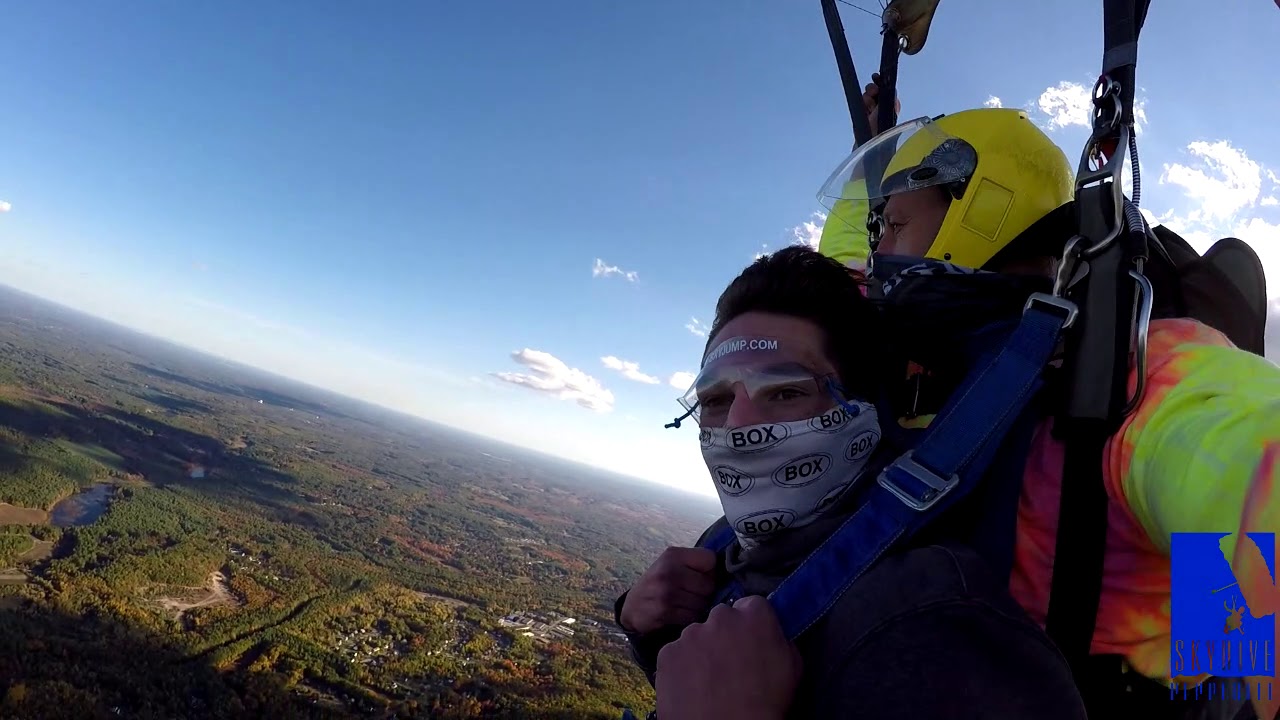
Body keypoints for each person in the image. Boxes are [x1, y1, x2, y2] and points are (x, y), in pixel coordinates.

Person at [810, 96, 1280, 720]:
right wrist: (872, 159)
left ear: (978, 211)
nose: (878, 254)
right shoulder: (938, 363)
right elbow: (839, 274)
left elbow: (1255, 461)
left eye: (893, 225)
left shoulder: (1133, 375)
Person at [617, 245, 1089, 719]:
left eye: (785, 391)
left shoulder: (929, 623)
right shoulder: (724, 547)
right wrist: (647, 630)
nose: (738, 424)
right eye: (716, 400)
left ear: (863, 410)